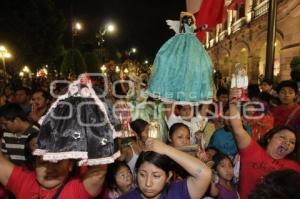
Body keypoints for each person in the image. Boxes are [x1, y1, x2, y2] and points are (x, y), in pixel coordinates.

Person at [229, 101, 300, 199]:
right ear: (269, 138)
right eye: (282, 137)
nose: (287, 143)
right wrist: (233, 102)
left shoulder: (294, 168)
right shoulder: (252, 150)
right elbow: (237, 129)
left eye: (292, 142)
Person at [146, 11, 213, 103]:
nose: (188, 21)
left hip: (192, 45)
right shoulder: (182, 29)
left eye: (190, 20)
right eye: (186, 20)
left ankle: (185, 89)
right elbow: (188, 30)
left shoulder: (190, 29)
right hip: (182, 42)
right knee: (175, 61)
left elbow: (195, 30)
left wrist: (201, 28)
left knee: (192, 64)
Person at [119, 138, 212, 199]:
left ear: (168, 176)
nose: (148, 183)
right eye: (142, 175)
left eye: (156, 176)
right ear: (136, 173)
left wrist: (166, 149)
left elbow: (204, 174)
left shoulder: (178, 192)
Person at [0, 150, 107, 199]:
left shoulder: (76, 189)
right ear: (35, 164)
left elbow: (98, 173)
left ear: (70, 165)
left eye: (57, 162)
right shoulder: (24, 180)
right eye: (43, 162)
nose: (50, 169)